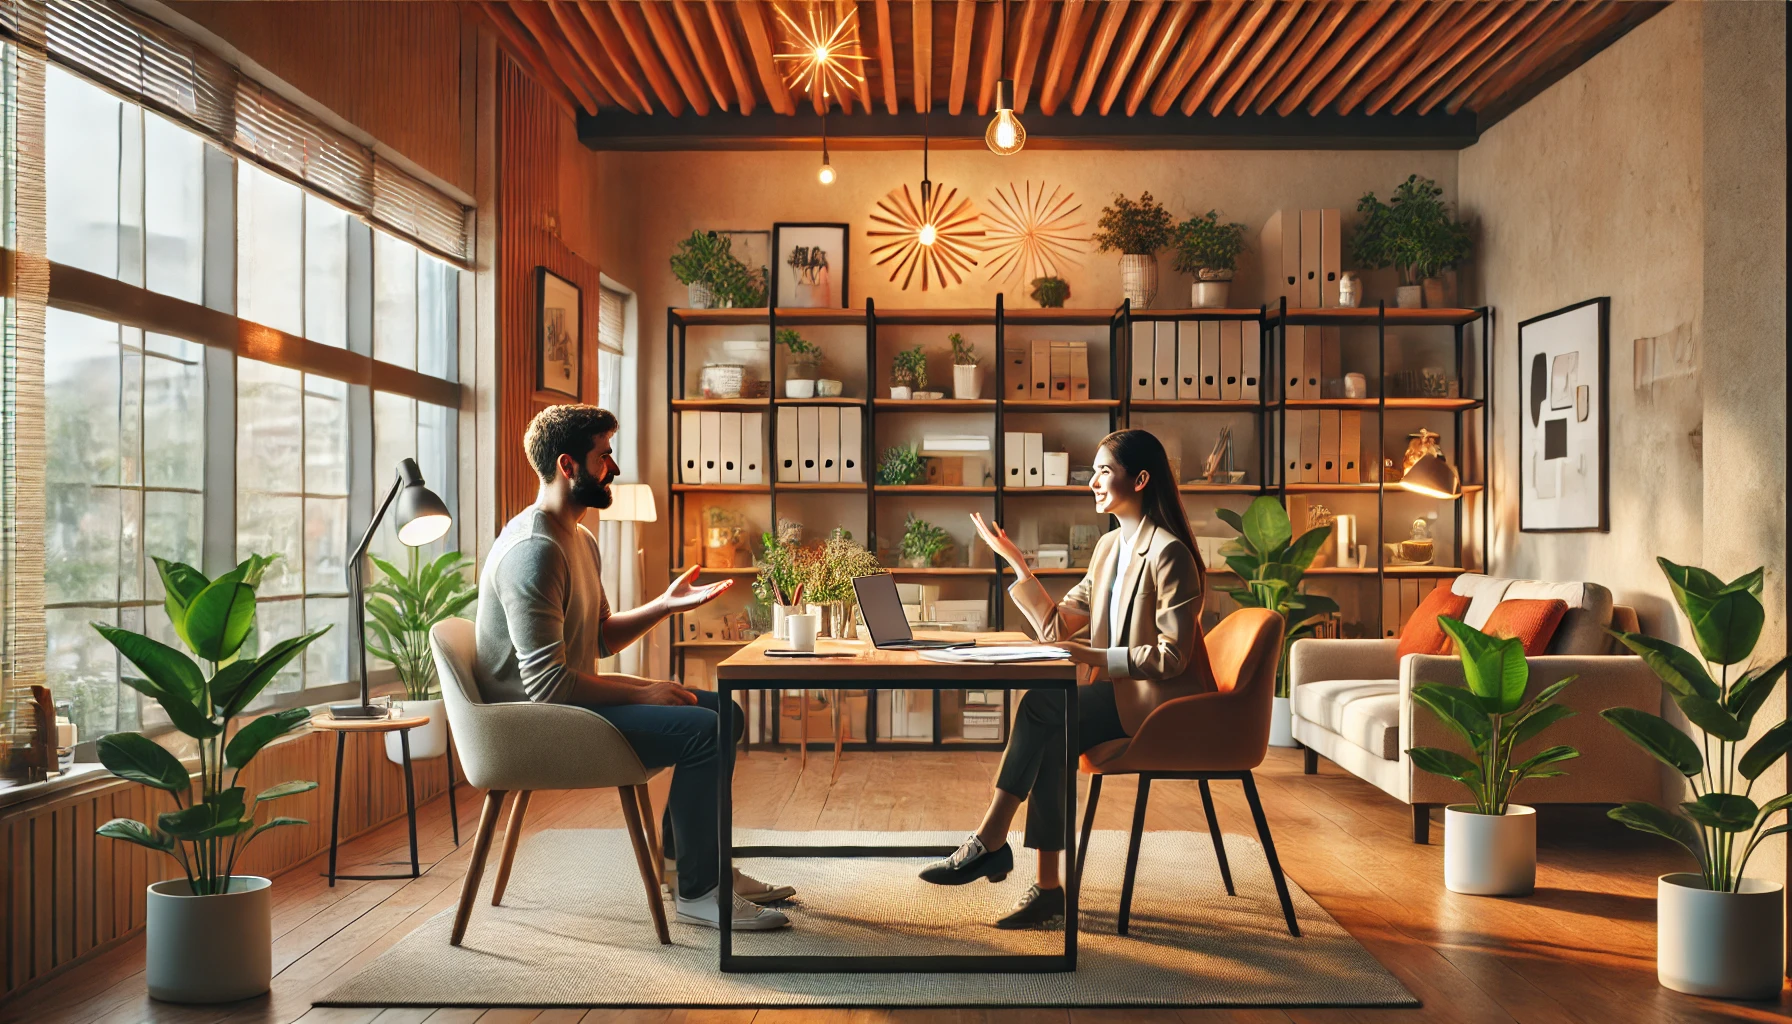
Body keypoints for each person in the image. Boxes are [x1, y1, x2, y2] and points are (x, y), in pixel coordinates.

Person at [475, 404, 795, 931]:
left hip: (566, 707)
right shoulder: (534, 550)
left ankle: (689, 867)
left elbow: (598, 637)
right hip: (534, 727)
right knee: (706, 730)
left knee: (725, 714)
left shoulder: (579, 539)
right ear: (567, 465)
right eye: (604, 457)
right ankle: (700, 893)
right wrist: (644, 692)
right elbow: (547, 687)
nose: (615, 468)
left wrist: (664, 605)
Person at [921, 428, 1216, 929]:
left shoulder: (1169, 554)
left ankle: (993, 842)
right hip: (1118, 694)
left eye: (1105, 470)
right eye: (1093, 470)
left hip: (1162, 708)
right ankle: (1044, 887)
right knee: (1051, 720)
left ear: (1141, 479)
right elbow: (1058, 627)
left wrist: (1095, 655)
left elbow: (1173, 658)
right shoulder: (1107, 549)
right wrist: (1017, 565)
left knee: (1044, 705)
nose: (1093, 481)